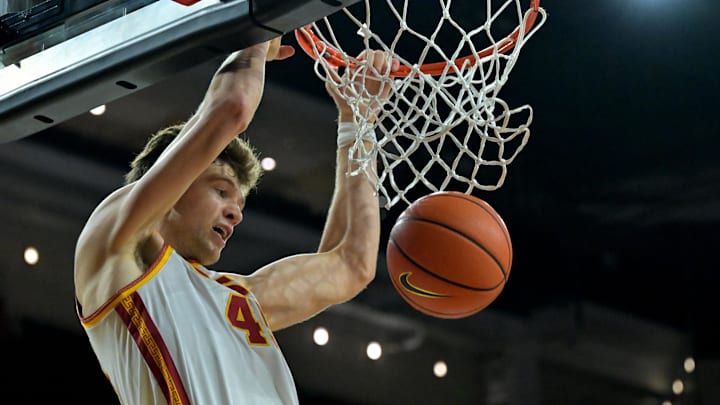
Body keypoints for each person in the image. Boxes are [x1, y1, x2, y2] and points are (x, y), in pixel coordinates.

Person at [73, 35, 400, 404]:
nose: (236, 212)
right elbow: (232, 108)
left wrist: (358, 122)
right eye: (220, 191)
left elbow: (352, 263)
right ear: (173, 182)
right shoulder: (114, 241)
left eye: (239, 201)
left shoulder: (236, 299)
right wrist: (256, 36)